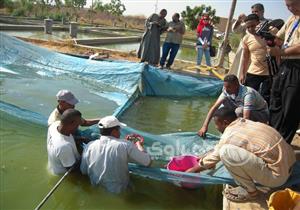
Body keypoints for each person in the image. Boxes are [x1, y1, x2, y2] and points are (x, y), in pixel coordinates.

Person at [188, 107, 296, 202]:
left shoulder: (229, 135)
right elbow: (221, 146)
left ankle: (250, 192)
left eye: (217, 125)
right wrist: (207, 155)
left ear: (225, 122)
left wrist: (192, 170)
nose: (216, 128)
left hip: (277, 178)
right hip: (290, 165)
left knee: (225, 152)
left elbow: (217, 154)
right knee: (225, 149)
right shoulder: (245, 122)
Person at [80, 116, 151, 193]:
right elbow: (147, 162)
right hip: (119, 191)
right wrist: (139, 145)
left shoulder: (89, 145)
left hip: (96, 189)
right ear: (114, 131)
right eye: (119, 130)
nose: (120, 133)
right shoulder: (126, 145)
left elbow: (83, 170)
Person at [267, 0, 300, 144]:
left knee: (290, 108)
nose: (290, 8)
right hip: (285, 65)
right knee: (276, 100)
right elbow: (279, 38)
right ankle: (272, 139)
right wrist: (269, 38)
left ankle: (282, 146)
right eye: (287, 5)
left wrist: (279, 52)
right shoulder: (292, 18)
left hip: (297, 66)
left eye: (293, 4)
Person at [198, 74, 269, 137]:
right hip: (242, 109)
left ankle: (242, 132)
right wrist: (204, 126)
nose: (226, 89)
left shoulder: (248, 94)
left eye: (229, 87)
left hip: (261, 115)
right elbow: (215, 107)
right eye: (225, 87)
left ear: (236, 85)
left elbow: (246, 117)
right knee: (220, 109)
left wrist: (237, 136)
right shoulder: (226, 91)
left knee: (239, 111)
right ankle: (229, 127)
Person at [228, 3, 268, 77]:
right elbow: (236, 30)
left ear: (262, 11)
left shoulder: (267, 23)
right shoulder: (248, 22)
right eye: (252, 12)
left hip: (258, 55)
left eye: (256, 12)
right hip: (244, 52)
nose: (254, 13)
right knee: (240, 72)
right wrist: (239, 20)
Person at [240, 14, 269, 94]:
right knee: (249, 96)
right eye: (248, 27)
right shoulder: (246, 38)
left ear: (259, 23)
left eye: (253, 26)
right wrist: (243, 74)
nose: (250, 29)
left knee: (266, 98)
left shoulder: (269, 35)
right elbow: (245, 57)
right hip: (253, 73)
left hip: (269, 73)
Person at [47, 109, 82, 175]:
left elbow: (63, 138)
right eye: (78, 124)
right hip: (61, 173)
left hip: (52, 166)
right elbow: (72, 171)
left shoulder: (54, 125)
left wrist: (78, 138)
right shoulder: (64, 147)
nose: (78, 126)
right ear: (71, 123)